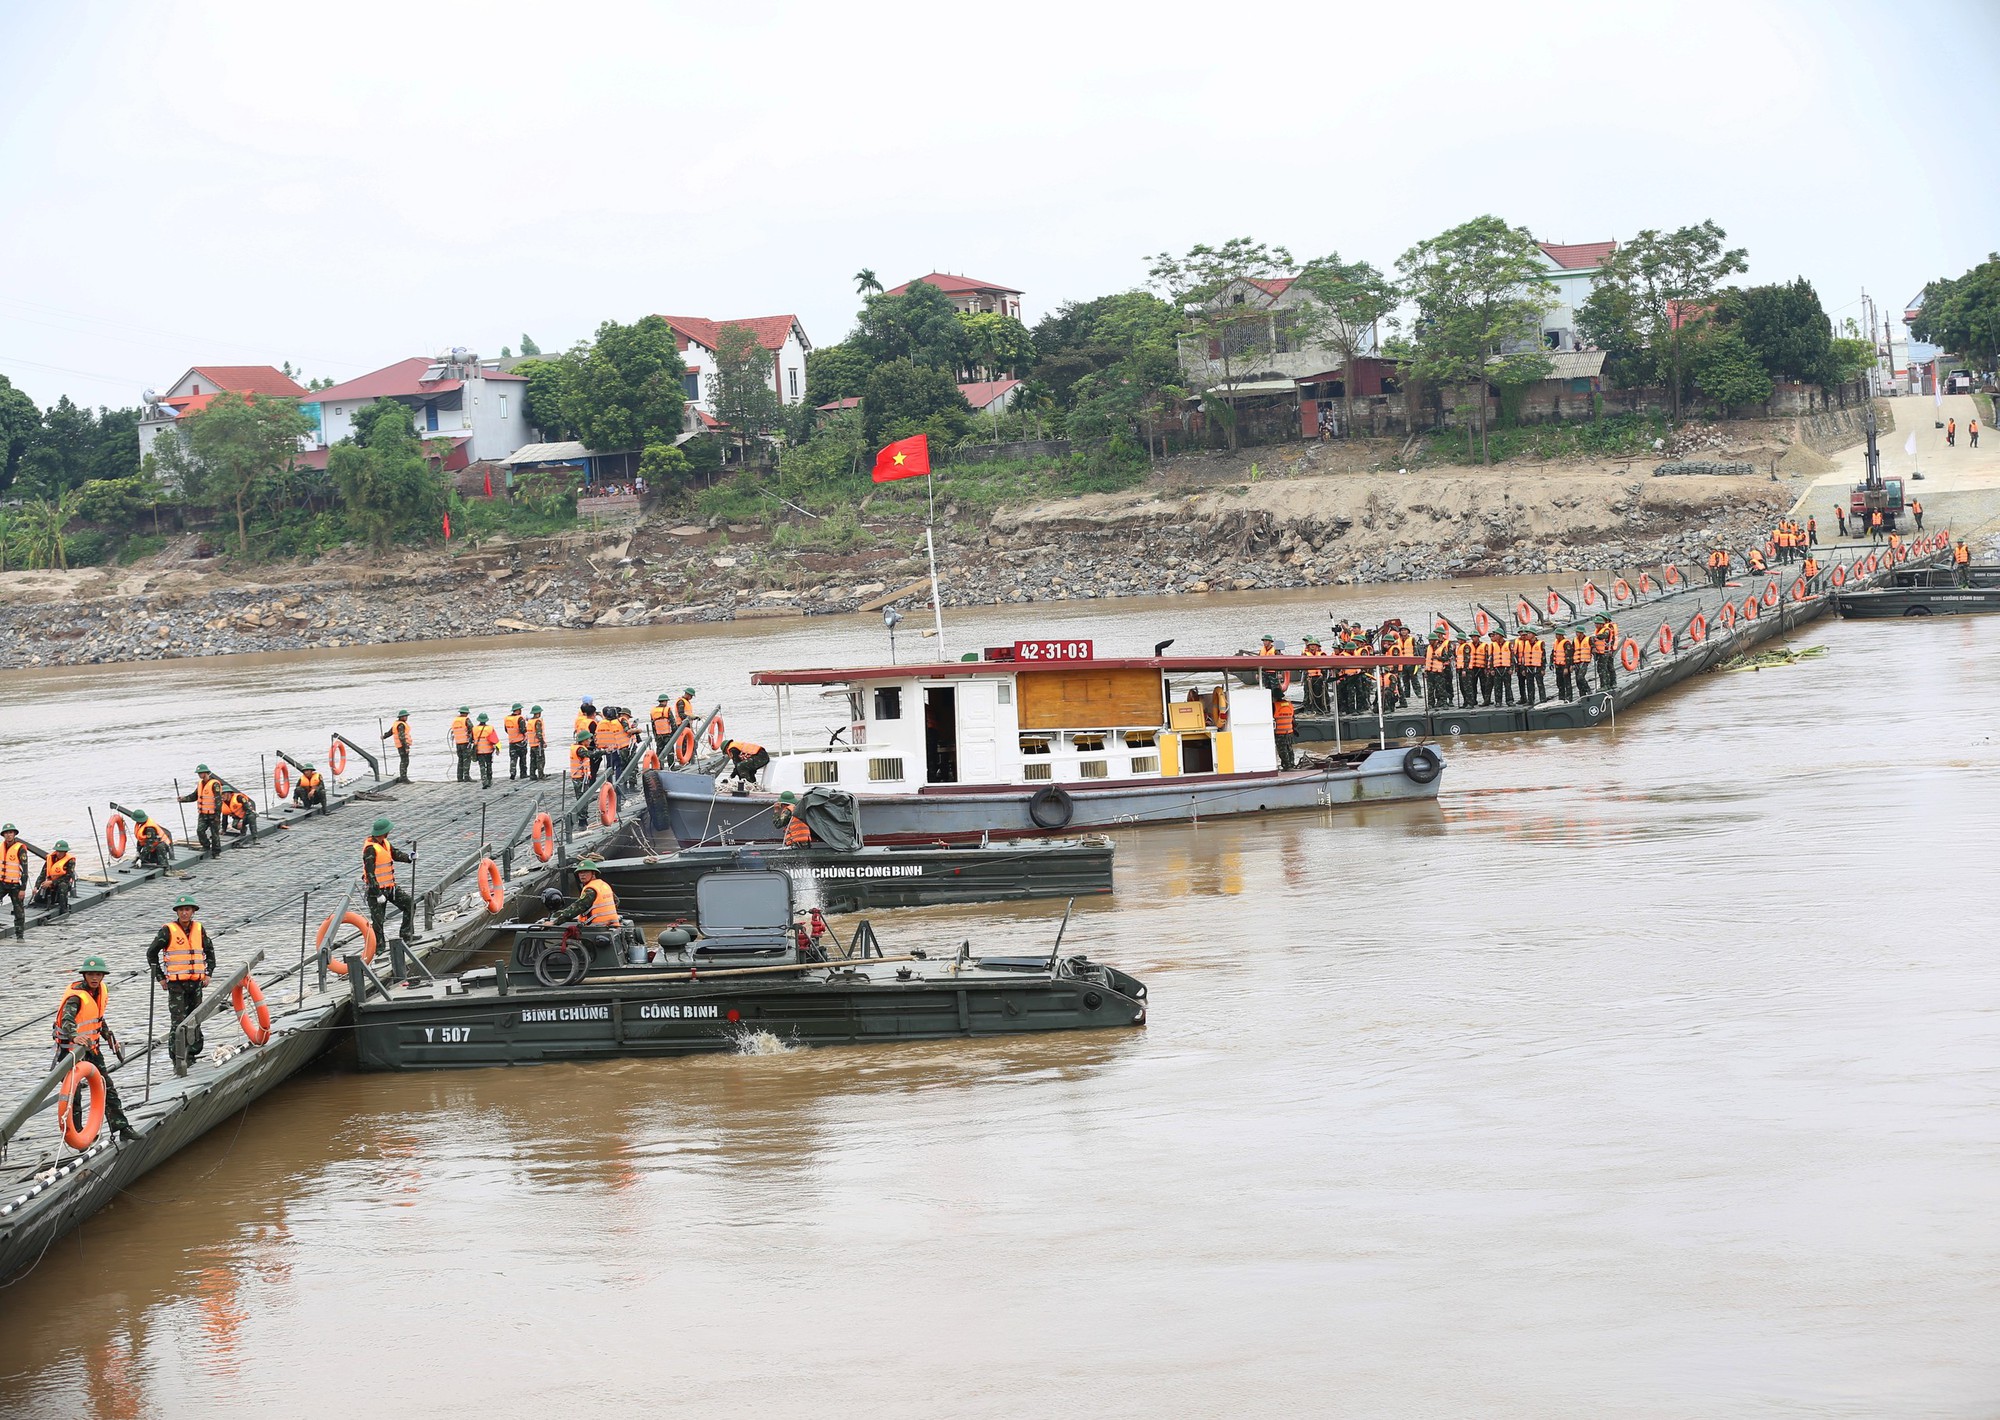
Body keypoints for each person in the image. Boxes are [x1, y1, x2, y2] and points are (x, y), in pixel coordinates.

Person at [53, 955, 136, 1142]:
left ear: (102, 976)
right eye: (90, 974)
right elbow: (67, 1021)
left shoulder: (100, 992)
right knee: (74, 1096)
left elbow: (97, 1017)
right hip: (71, 1051)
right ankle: (78, 1137)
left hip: (92, 1049)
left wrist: (108, 1036)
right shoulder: (75, 997)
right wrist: (75, 1036)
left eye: (98, 974)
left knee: (106, 1086)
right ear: (84, 975)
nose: (94, 978)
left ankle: (122, 1127)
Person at [147, 894, 215, 1073]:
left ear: (193, 912)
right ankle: (177, 1058)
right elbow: (151, 953)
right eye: (181, 910)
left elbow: (210, 952)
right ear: (177, 912)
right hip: (176, 985)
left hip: (196, 984)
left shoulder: (199, 930)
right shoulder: (167, 931)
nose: (184, 913)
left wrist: (208, 974)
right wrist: (160, 977)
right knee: (178, 1022)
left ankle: (192, 1054)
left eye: (187, 910)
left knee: (195, 1019)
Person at [362, 818, 417, 948]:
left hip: (390, 887)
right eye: (388, 831)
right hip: (376, 891)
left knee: (409, 904)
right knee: (378, 920)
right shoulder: (370, 849)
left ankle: (406, 934)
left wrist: (408, 857)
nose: (389, 833)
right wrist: (377, 893)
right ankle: (379, 948)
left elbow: (395, 853)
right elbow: (370, 873)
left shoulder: (385, 843)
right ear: (383, 832)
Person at [547, 856, 619, 928]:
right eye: (580, 872)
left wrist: (555, 922)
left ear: (593, 873)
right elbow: (616, 901)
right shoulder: (603, 885)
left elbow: (577, 907)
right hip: (610, 925)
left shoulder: (591, 890)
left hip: (597, 927)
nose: (582, 875)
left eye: (586, 872)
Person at [180, 764, 222, 858]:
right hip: (203, 814)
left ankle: (216, 852)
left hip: (213, 814)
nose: (199, 775)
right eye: (198, 773)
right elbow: (194, 796)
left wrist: (217, 815)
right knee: (200, 831)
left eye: (201, 773)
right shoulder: (200, 784)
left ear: (206, 773)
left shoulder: (214, 784)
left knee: (215, 834)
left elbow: (218, 800)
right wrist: (183, 799)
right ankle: (206, 846)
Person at [34, 839, 77, 917]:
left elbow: (68, 876)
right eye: (57, 851)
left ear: (65, 852)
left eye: (61, 852)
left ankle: (63, 909)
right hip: (50, 883)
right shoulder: (50, 859)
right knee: (37, 899)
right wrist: (36, 886)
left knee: (62, 886)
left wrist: (51, 882)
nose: (58, 853)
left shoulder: (70, 861)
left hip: (63, 883)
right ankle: (54, 899)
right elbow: (42, 874)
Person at [0, 823, 27, 938]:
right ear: (3, 835)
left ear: (14, 834)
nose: (8, 835)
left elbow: (24, 869)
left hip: (16, 884)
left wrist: (23, 888)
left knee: (18, 910)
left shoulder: (20, 848)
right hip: (2, 882)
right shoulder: (1, 847)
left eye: (10, 832)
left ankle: (19, 935)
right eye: (6, 833)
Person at [568, 732, 595, 827]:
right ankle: (582, 821)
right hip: (579, 778)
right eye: (588, 739)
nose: (590, 741)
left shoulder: (576, 747)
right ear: (583, 741)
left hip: (580, 777)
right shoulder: (580, 750)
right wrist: (604, 751)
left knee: (583, 798)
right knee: (583, 799)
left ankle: (583, 818)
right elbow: (590, 754)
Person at [382, 710, 413, 783]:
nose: (406, 718)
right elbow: (401, 737)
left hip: (400, 745)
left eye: (406, 716)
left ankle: (403, 777)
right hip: (402, 745)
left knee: (404, 760)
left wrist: (384, 736)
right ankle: (404, 778)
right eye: (405, 716)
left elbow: (390, 732)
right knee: (405, 761)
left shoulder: (397, 724)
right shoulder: (401, 725)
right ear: (401, 717)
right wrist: (406, 747)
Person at [471, 714, 501, 788]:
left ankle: (484, 781)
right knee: (489, 765)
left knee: (482, 766)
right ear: (486, 720)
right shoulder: (490, 728)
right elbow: (496, 740)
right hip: (489, 751)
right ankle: (489, 780)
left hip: (479, 751)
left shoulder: (474, 729)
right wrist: (498, 749)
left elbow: (471, 740)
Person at [1301, 637, 1330, 714]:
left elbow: (1325, 667)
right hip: (1309, 677)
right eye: (1311, 645)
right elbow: (1302, 666)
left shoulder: (1322, 654)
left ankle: (1320, 708)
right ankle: (1308, 709)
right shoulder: (1305, 655)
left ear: (1318, 647)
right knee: (1308, 694)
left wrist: (1324, 677)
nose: (1313, 647)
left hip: (1319, 677)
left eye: (1314, 645)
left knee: (1319, 693)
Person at [1591, 616, 1619, 691]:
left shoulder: (1606, 630)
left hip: (1604, 653)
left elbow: (1604, 636)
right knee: (1603, 669)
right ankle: (1607, 684)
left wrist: (1596, 636)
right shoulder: (1598, 630)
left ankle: (1605, 685)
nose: (1596, 625)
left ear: (1601, 624)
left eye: (1597, 624)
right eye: (1595, 623)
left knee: (1602, 669)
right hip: (1600, 653)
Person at [1272, 694, 1298, 769]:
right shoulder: (1289, 705)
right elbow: (1293, 719)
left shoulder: (1274, 706)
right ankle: (1292, 764)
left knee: (1282, 751)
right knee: (1289, 749)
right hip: (1289, 732)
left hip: (1280, 733)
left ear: (1274, 697)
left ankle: (1287, 766)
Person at [504, 704, 529, 781]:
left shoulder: (507, 718)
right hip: (520, 741)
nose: (521, 711)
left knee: (513, 759)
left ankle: (512, 773)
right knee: (522, 758)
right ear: (518, 710)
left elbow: (506, 730)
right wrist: (526, 736)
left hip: (511, 741)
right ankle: (523, 774)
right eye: (520, 709)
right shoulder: (520, 718)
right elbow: (523, 730)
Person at [449, 707, 474, 782]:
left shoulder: (455, 720)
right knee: (467, 760)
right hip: (466, 743)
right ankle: (466, 777)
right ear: (466, 713)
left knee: (460, 760)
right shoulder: (466, 720)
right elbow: (472, 730)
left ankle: (459, 777)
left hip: (458, 743)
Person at [1550, 628, 1574, 702]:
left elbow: (1569, 656)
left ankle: (1569, 698)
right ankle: (1561, 698)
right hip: (1558, 665)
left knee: (1567, 683)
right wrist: (1551, 662)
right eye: (1556, 634)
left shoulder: (1566, 644)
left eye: (1558, 635)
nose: (1556, 636)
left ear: (1561, 635)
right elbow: (1553, 653)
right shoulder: (1555, 643)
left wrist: (1567, 667)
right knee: (1559, 683)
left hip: (1564, 666)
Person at [527, 705, 547, 780]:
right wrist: (543, 742)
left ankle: (532, 775)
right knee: (541, 760)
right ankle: (541, 775)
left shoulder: (530, 721)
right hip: (537, 744)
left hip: (531, 743)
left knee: (533, 760)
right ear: (538, 713)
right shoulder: (537, 721)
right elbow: (539, 733)